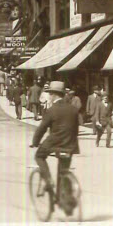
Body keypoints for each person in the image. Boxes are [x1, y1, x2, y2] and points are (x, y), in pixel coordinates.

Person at [30, 81, 80, 212]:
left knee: (39, 156)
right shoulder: (73, 110)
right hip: (69, 144)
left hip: (54, 143)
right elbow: (76, 129)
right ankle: (66, 200)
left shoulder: (51, 110)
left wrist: (35, 142)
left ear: (52, 95)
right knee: (63, 170)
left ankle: (48, 180)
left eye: (50, 94)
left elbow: (42, 128)